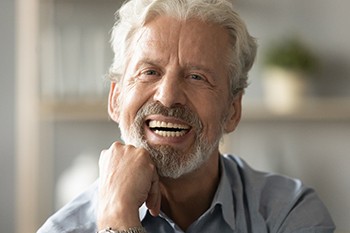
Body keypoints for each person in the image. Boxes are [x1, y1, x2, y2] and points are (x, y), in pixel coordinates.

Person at [38, 0, 335, 232]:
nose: (167, 96)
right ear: (115, 99)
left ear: (233, 110)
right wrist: (117, 215)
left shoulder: (288, 214)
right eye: (149, 72)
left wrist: (120, 225)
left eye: (196, 77)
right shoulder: (63, 230)